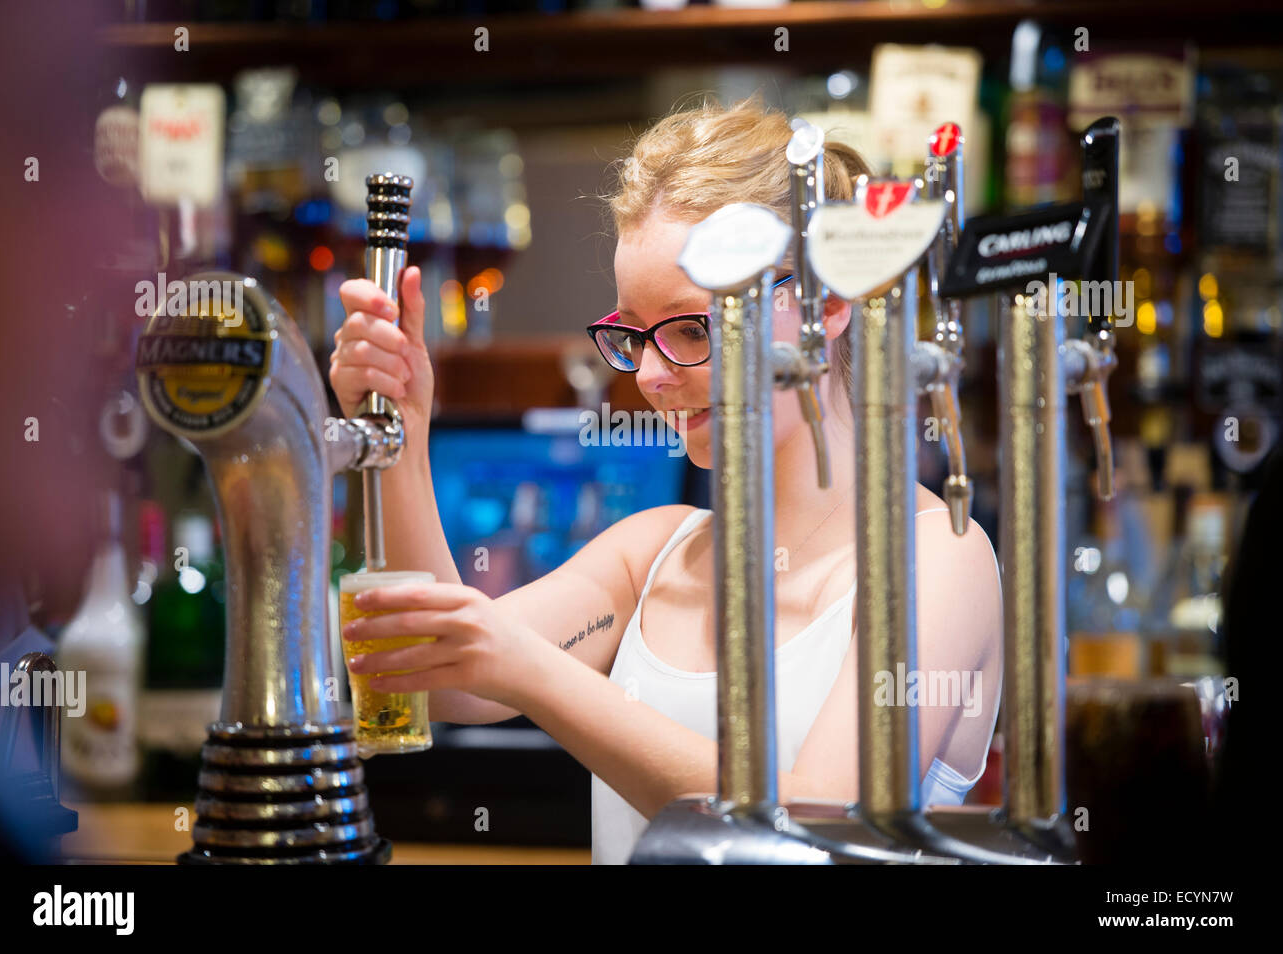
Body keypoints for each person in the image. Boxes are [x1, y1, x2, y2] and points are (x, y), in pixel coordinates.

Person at [328, 93, 1002, 865]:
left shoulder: (937, 557)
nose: (648, 375)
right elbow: (443, 682)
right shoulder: (650, 553)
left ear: (828, 301)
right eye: (632, 334)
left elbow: (820, 833)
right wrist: (405, 436)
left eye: (689, 328)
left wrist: (534, 675)